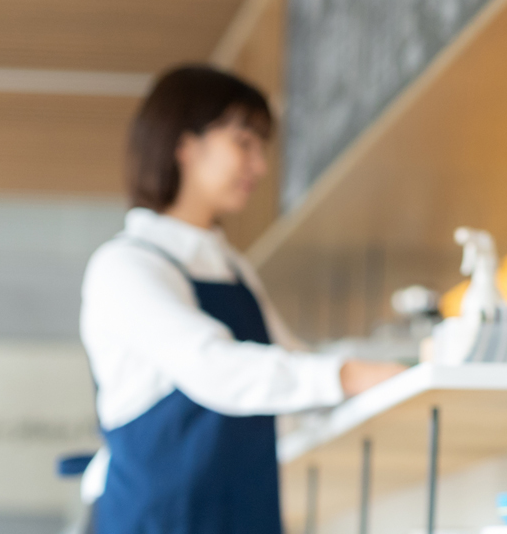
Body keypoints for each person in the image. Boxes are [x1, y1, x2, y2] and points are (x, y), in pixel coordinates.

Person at [78, 65, 404, 532]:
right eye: (244, 143)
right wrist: (349, 374)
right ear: (184, 145)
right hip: (159, 520)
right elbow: (215, 366)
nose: (260, 167)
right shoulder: (125, 266)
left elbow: (288, 362)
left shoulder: (233, 268)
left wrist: (386, 371)